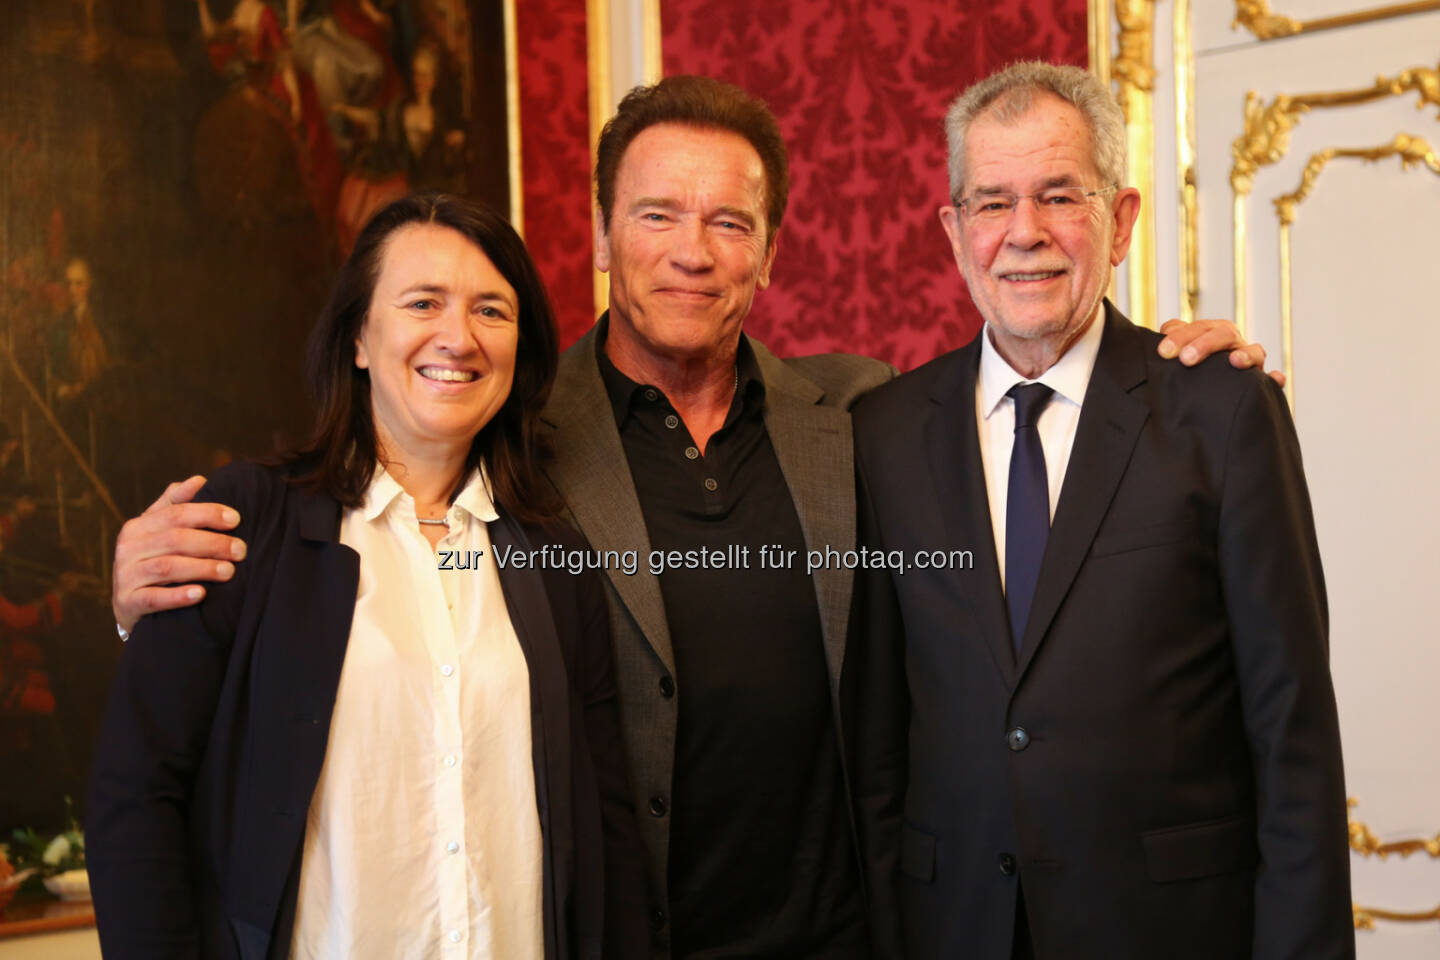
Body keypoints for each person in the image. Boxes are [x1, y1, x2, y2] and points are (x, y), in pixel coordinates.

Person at [107, 77, 1271, 959]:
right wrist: (144, 588)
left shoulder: (867, 415)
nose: (692, 252)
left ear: (770, 247)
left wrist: (1169, 364)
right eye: (659, 214)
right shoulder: (517, 444)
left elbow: (1040, 405)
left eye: (730, 222)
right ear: (605, 230)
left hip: (842, 939)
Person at [850, 61, 1352, 959]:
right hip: (953, 926)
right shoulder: (881, 434)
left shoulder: (1222, 412)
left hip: (1170, 930)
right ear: (955, 230)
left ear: (1119, 222)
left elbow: (1293, 737)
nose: (1024, 233)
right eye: (992, 202)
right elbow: (880, 740)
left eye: (1059, 196)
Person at [87, 193, 646, 959]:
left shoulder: (553, 557)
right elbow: (135, 796)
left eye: (492, 309)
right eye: (424, 302)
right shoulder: (243, 523)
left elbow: (605, 820)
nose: (458, 336)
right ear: (358, 337)